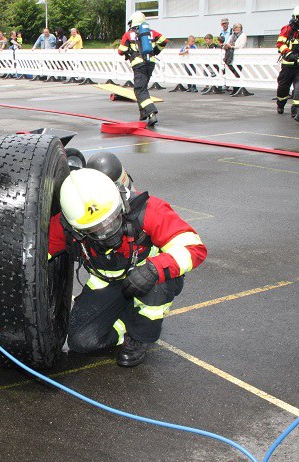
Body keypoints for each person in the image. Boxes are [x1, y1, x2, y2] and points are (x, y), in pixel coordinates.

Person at [49, 168, 207, 367]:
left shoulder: (149, 211)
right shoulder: (65, 225)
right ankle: (125, 319)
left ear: (121, 204)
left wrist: (154, 269)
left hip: (149, 279)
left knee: (159, 287)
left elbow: (194, 248)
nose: (106, 231)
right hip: (107, 284)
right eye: (95, 229)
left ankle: (140, 336)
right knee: (81, 342)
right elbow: (35, 255)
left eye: (110, 221)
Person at [118, 12, 168, 126]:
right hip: (150, 63)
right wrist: (155, 51)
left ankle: (151, 112)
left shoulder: (129, 34)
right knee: (142, 88)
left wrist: (130, 51)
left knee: (140, 90)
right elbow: (164, 41)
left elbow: (121, 50)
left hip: (138, 64)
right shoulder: (151, 32)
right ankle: (143, 114)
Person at [276, 4, 299, 117]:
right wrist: (288, 53)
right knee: (283, 87)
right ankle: (281, 104)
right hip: (288, 64)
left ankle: (296, 110)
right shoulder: (288, 29)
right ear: (296, 17)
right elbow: (280, 43)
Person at [224, 23, 249, 97]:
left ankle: (237, 88)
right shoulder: (232, 36)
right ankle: (235, 88)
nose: (237, 29)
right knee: (233, 72)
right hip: (231, 55)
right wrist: (227, 45)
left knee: (237, 72)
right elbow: (227, 42)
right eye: (236, 28)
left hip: (239, 56)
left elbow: (241, 45)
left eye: (239, 28)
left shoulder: (243, 35)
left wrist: (231, 46)